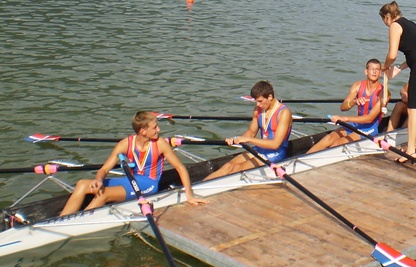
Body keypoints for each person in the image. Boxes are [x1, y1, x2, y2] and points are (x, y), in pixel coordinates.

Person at [59, 111, 204, 216]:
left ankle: (78, 221)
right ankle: (62, 219)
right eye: (155, 127)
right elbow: (104, 169)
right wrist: (98, 180)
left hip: (149, 184)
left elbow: (180, 168)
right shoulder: (125, 144)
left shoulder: (160, 144)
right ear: (143, 131)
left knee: (103, 194)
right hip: (132, 181)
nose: (158, 130)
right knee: (82, 184)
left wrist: (189, 195)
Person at [379, 1, 416, 163]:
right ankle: (414, 143)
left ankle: (411, 151)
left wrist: (385, 67)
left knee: (413, 108)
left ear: (387, 17)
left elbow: (392, 54)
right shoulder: (409, 23)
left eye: (383, 20)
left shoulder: (395, 26)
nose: (385, 24)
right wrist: (399, 68)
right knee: (415, 107)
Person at [205, 80, 293, 180]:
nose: (258, 104)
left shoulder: (284, 113)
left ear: (270, 97)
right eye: (256, 101)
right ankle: (195, 187)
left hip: (276, 154)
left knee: (236, 169)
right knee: (227, 166)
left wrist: (248, 140)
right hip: (260, 149)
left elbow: (275, 144)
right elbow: (251, 133)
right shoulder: (258, 110)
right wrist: (235, 139)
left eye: (260, 101)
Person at [307, 59, 386, 153]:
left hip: (370, 128)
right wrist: (354, 102)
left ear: (380, 73)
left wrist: (344, 119)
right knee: (329, 138)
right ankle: (302, 159)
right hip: (356, 123)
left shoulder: (384, 93)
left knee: (337, 143)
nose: (374, 71)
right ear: (366, 71)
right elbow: (343, 107)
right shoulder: (357, 85)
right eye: (372, 69)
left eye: (377, 69)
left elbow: (369, 118)